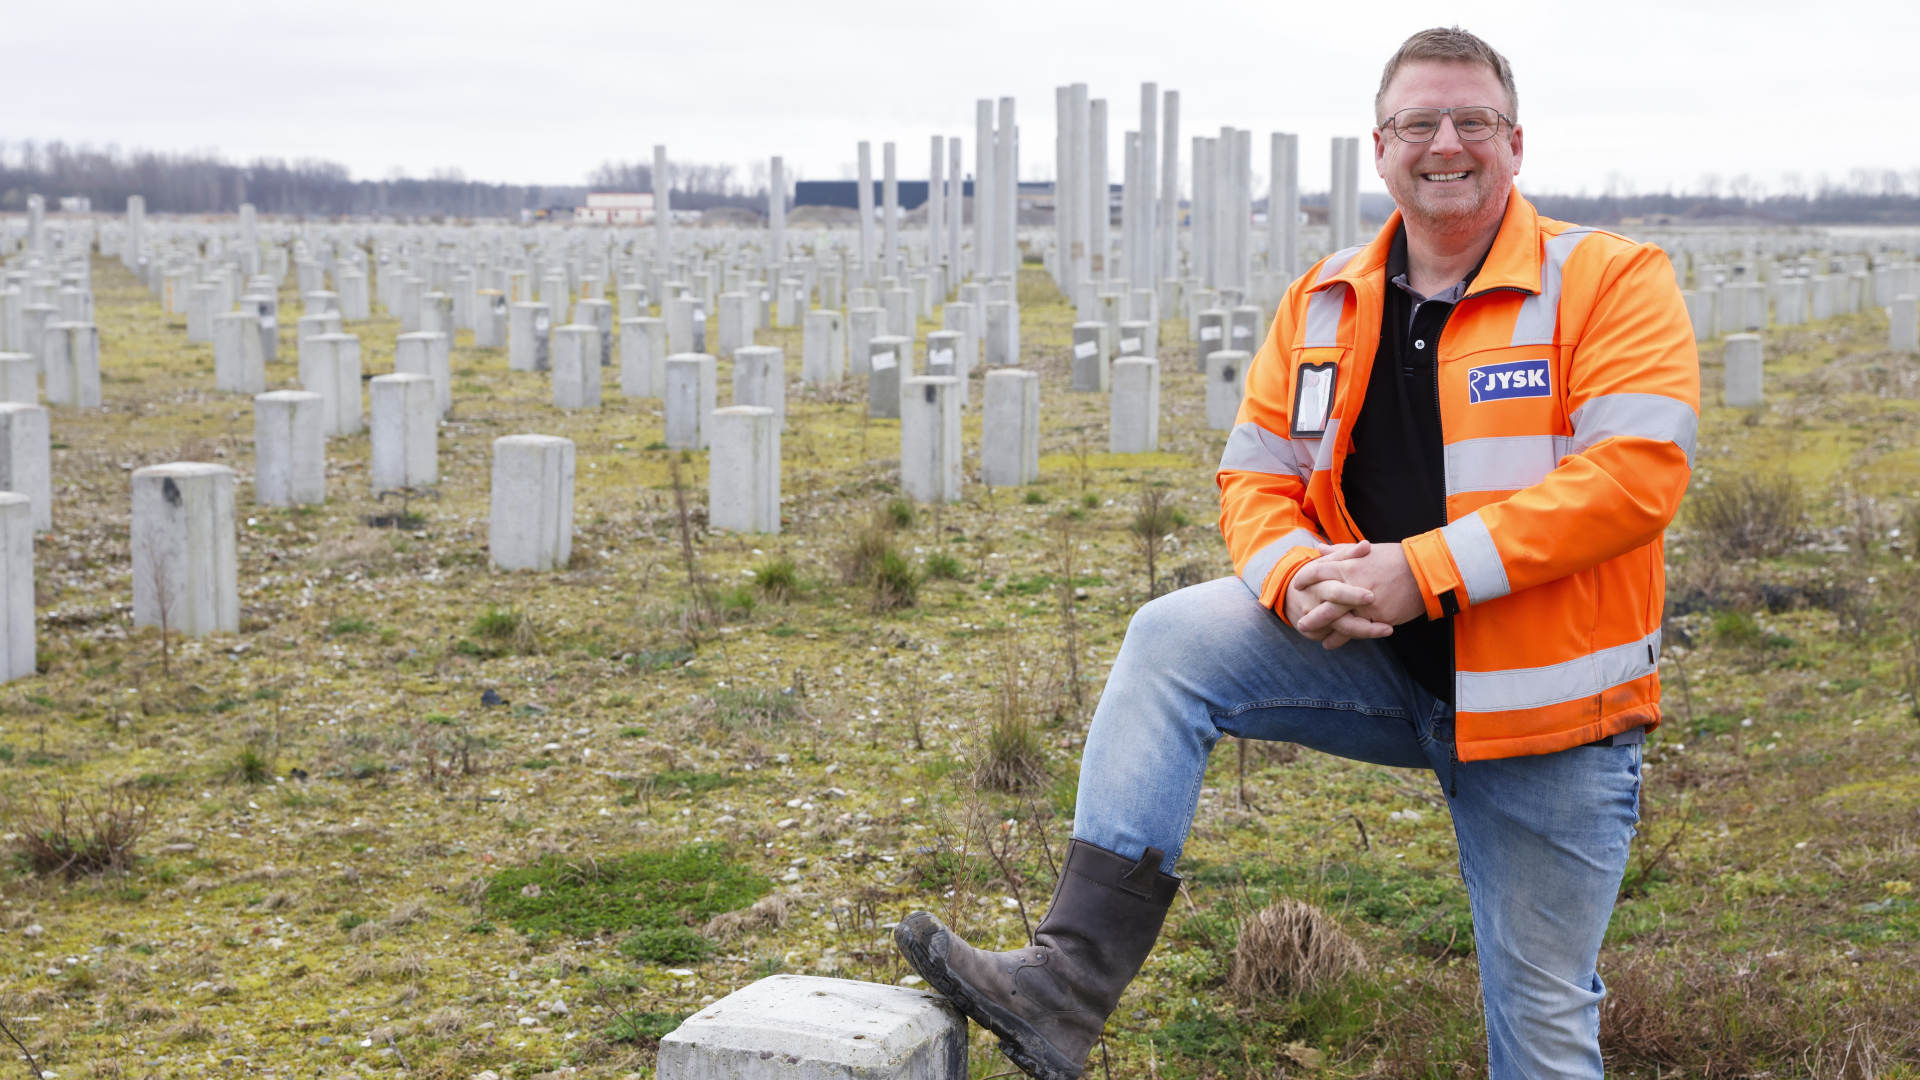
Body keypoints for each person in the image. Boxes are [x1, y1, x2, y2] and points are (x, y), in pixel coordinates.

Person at [895, 25, 1700, 1080]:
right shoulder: (1324, 301)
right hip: (1379, 656)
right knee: (1170, 639)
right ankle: (1065, 982)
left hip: (1549, 713)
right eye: (1420, 122)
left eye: (1473, 121)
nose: (1446, 142)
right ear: (1382, 147)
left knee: (1541, 1022)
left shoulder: (1608, 280)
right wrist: (1295, 579)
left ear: (1515, 143)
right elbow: (1256, 478)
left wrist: (1418, 573)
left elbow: (1633, 475)